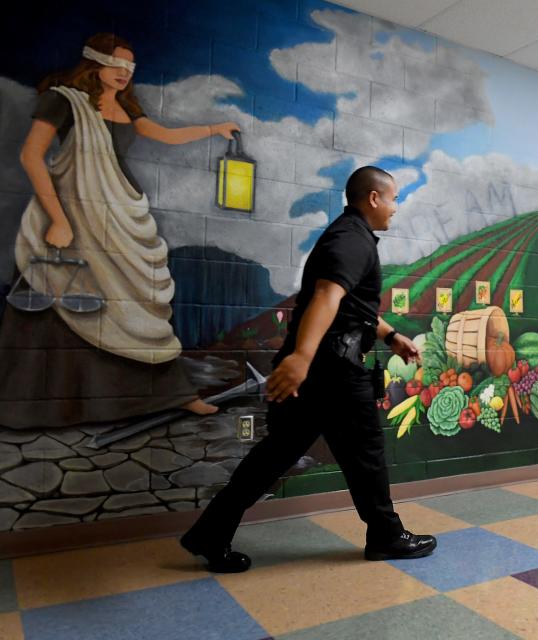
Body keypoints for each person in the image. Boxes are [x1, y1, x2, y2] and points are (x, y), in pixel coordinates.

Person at [180, 166, 436, 573]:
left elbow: (351, 307)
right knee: (365, 455)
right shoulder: (352, 240)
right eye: (394, 198)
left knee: (274, 456)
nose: (395, 207)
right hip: (333, 372)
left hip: (321, 369)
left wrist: (390, 337)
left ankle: (211, 532)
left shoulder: (347, 236)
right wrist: (301, 357)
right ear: (373, 198)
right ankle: (386, 536)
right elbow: (326, 297)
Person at [0, 32, 239, 427]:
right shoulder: (63, 99)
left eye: (130, 67)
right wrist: (58, 219)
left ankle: (174, 395)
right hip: (73, 210)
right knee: (58, 300)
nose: (125, 73)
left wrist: (215, 129)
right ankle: (40, 406)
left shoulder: (128, 107)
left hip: (120, 211)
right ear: (95, 62)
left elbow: (165, 136)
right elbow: (31, 156)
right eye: (117, 64)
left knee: (135, 307)